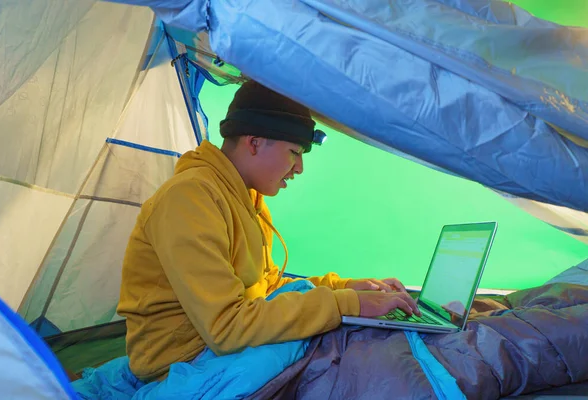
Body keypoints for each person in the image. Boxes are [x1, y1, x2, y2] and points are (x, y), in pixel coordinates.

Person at [117, 80, 420, 382]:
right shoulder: (189, 198)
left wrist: (346, 287)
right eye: (294, 152)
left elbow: (267, 286)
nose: (299, 167)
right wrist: (346, 305)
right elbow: (227, 326)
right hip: (181, 362)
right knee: (356, 363)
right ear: (254, 142)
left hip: (217, 347)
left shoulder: (248, 197)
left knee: (360, 344)